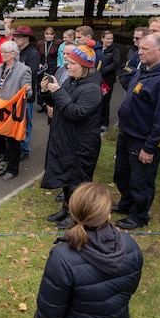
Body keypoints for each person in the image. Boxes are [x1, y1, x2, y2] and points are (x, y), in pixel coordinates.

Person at [34, 182, 144, 318]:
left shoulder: (62, 257)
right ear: (108, 214)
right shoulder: (131, 247)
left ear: (74, 213)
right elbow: (129, 290)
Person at [111, 33, 160, 230]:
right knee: (122, 174)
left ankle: (139, 215)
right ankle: (127, 203)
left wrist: (150, 148)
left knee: (140, 180)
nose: (139, 52)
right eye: (140, 48)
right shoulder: (144, 70)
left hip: (143, 140)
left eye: (145, 49)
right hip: (127, 134)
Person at [40, 44, 103, 228]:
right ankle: (66, 209)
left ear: (84, 66)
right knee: (66, 177)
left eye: (72, 63)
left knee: (78, 181)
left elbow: (75, 112)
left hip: (81, 144)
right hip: (65, 139)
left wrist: (57, 91)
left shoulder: (92, 89)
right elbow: (58, 102)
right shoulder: (72, 81)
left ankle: (77, 216)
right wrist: (45, 92)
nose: (67, 66)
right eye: (67, 62)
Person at [0, 40, 33, 181]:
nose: (2, 55)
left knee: (13, 142)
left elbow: (28, 93)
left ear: (14, 54)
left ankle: (13, 169)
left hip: (13, 113)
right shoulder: (0, 67)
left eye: (5, 52)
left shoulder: (24, 70)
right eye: (1, 52)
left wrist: (27, 91)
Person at [14, 26, 41, 161]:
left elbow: (30, 74)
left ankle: (24, 149)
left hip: (26, 96)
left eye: (18, 37)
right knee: (16, 122)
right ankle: (16, 146)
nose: (15, 39)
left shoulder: (33, 54)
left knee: (25, 123)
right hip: (15, 95)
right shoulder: (17, 52)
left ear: (26, 39)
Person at [98, 30, 122, 133]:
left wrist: (102, 70)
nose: (110, 41)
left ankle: (104, 123)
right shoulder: (98, 49)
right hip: (97, 79)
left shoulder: (115, 50)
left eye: (111, 38)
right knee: (97, 101)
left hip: (108, 80)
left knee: (105, 102)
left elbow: (115, 64)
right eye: (107, 38)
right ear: (102, 39)